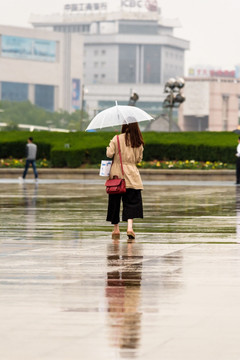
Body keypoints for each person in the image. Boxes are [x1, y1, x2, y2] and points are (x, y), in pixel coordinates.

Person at [106, 120, 144, 239]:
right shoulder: (138, 141)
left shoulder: (116, 138)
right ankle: (129, 228)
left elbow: (109, 154)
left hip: (117, 174)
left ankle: (116, 229)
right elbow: (138, 159)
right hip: (132, 175)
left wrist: (109, 146)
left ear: (124, 125)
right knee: (131, 202)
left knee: (114, 202)